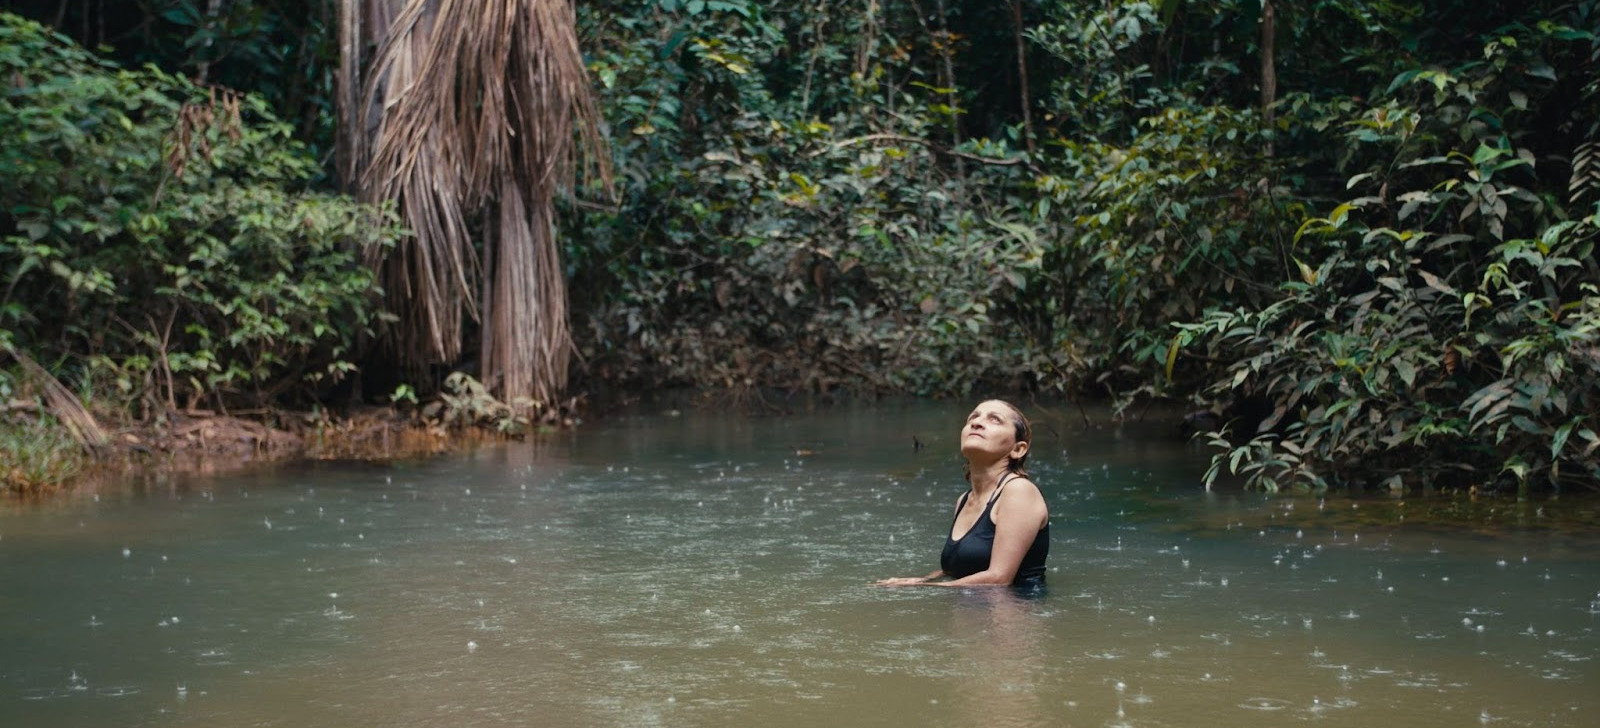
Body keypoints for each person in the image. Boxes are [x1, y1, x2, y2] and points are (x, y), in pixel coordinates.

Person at [877, 399, 1049, 590]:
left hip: (1014, 614)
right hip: (971, 610)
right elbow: (959, 567)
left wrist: (924, 590)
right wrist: (923, 580)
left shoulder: (1019, 491)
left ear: (1018, 449)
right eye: (973, 417)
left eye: (995, 420)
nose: (976, 422)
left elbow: (999, 579)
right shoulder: (963, 501)